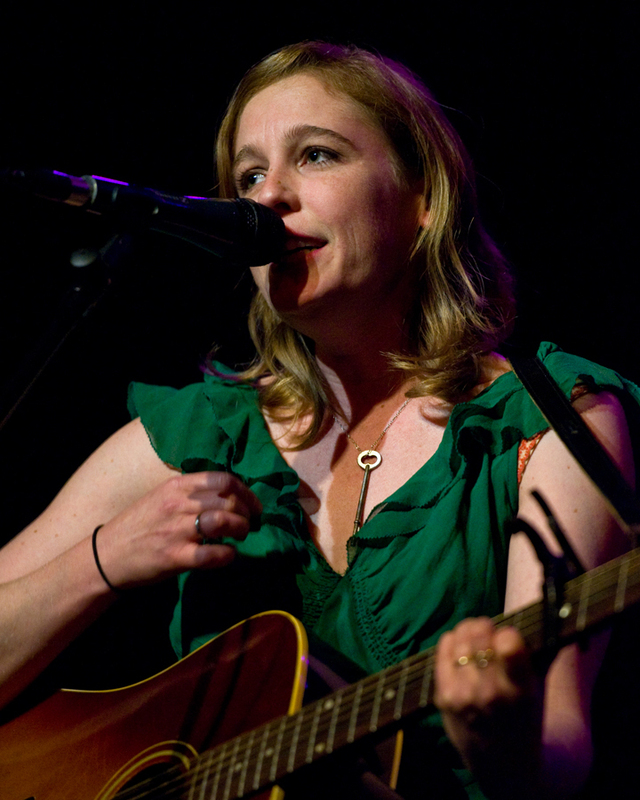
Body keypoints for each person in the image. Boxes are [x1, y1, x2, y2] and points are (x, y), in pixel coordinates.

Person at [0, 41, 637, 799]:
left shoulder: (548, 421)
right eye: (249, 175)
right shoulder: (204, 432)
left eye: (317, 156)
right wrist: (102, 558)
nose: (266, 199)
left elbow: (559, 755)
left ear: (421, 196)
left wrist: (496, 737)